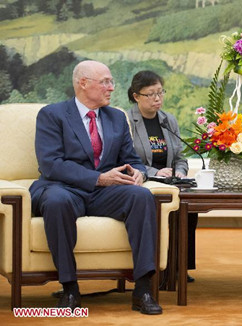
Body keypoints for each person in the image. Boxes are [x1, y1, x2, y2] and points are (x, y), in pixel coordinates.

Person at [30, 60, 162, 315]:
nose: (112, 87)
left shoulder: (116, 118)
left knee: (141, 197)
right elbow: (51, 164)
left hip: (105, 192)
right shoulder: (52, 114)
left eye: (111, 82)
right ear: (83, 83)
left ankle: (143, 289)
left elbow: (132, 160)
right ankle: (70, 288)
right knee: (56, 201)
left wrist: (139, 174)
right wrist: (98, 179)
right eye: (105, 82)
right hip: (64, 187)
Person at [126, 70, 198, 283]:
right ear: (136, 96)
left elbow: (180, 157)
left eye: (160, 93)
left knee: (188, 206)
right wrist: (154, 172)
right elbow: (126, 159)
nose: (157, 99)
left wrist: (180, 171)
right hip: (143, 180)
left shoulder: (169, 120)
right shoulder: (127, 120)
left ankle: (180, 265)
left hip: (170, 181)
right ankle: (152, 266)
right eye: (150, 94)